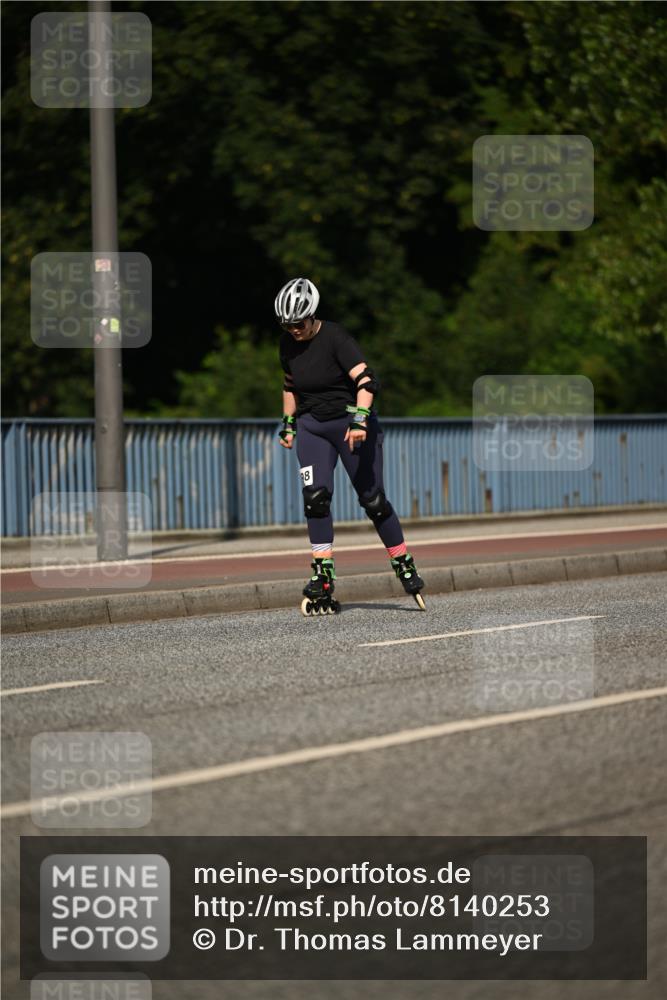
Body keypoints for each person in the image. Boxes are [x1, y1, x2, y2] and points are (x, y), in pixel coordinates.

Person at [275, 276, 426, 615]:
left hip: (350, 425)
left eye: (298, 323)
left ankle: (402, 561)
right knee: (315, 498)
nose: (293, 330)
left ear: (312, 315)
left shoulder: (335, 337)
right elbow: (290, 386)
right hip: (312, 427)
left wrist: (360, 419)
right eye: (286, 325)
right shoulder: (287, 344)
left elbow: (367, 380)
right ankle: (323, 575)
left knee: (372, 500)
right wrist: (287, 423)